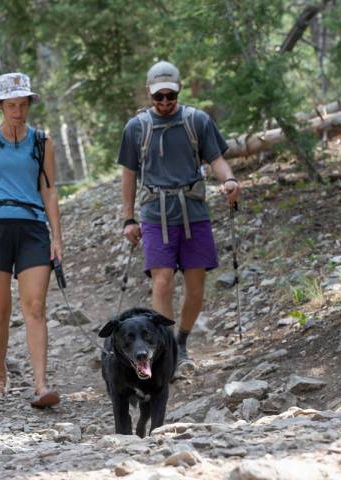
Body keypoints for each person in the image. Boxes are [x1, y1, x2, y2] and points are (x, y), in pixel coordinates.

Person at [118, 61, 242, 365]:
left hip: (193, 211)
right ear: (149, 93)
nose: (163, 102)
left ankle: (182, 340)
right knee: (162, 281)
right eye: (158, 96)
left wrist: (230, 180)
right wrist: (128, 218)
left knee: (196, 285)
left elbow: (217, 159)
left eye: (169, 96)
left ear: (178, 92)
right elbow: (128, 174)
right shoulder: (136, 128)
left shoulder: (197, 121)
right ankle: (166, 349)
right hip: (154, 213)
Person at [0, 72, 63, 407]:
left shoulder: (42, 141)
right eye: (12, 105)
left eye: (23, 104)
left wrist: (57, 236)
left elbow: (49, 191)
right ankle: (0, 375)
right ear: (0, 106)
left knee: (35, 306)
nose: (19, 111)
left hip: (33, 228)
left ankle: (41, 384)